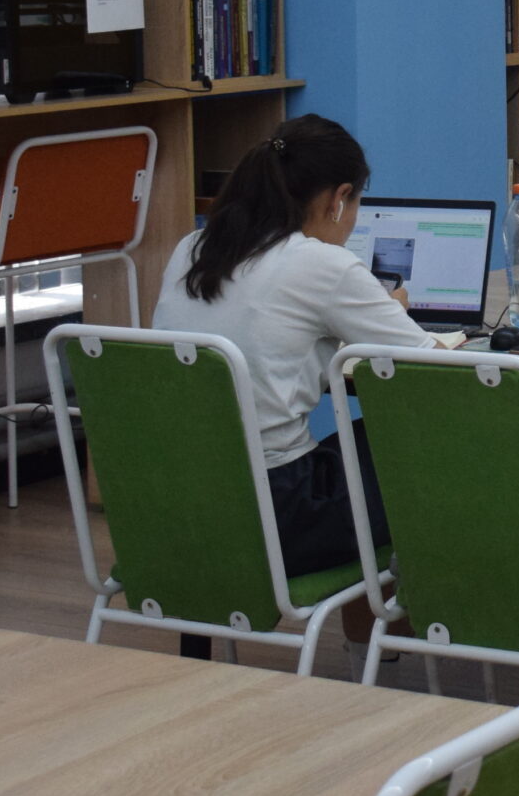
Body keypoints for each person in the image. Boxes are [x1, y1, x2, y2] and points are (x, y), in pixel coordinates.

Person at [151, 115, 440, 604]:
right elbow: (438, 373)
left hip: (178, 506)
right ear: (338, 198)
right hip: (279, 515)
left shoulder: (193, 248)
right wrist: (391, 313)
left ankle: (372, 636)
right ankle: (474, 609)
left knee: (364, 442)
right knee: (425, 437)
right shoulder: (322, 263)